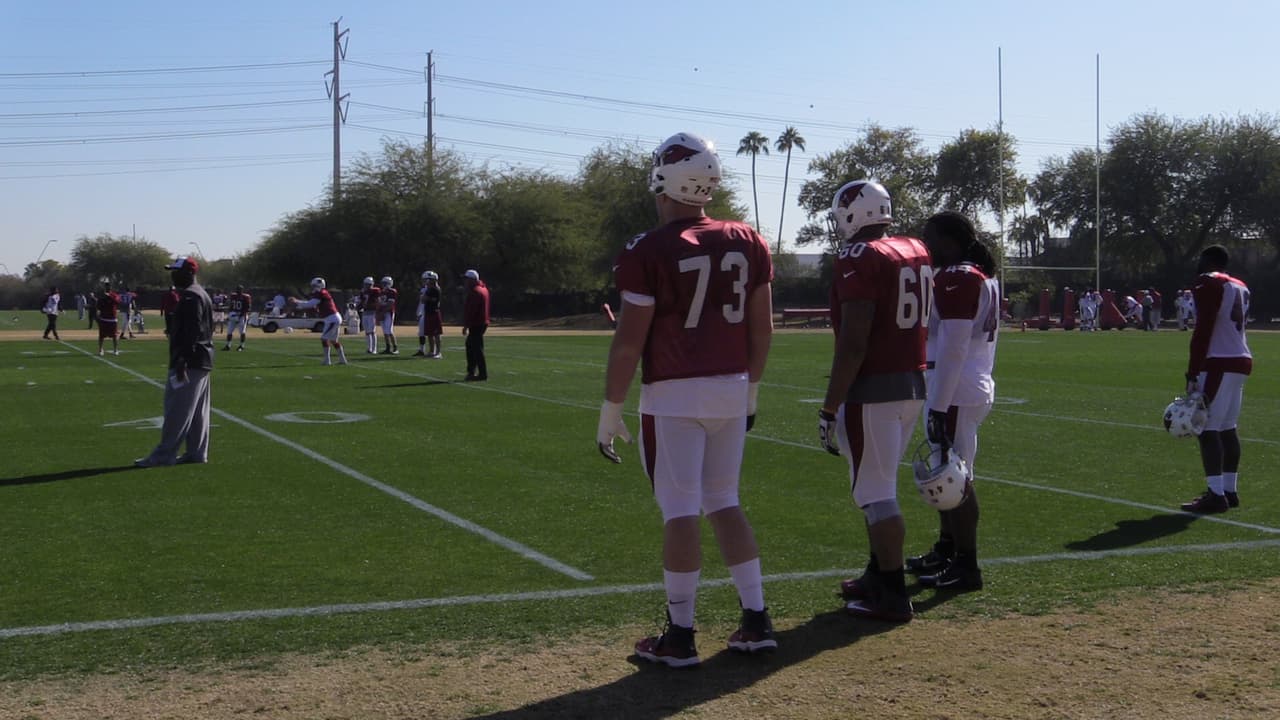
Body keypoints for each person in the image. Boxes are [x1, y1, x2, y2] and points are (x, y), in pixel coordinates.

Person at [597, 131, 776, 667]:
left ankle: (680, 634)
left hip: (674, 392)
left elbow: (630, 339)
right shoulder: (748, 239)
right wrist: (753, 388)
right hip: (732, 385)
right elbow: (761, 326)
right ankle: (757, 617)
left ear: (665, 179)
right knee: (725, 500)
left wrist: (611, 407)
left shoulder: (647, 249)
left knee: (679, 510)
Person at [819, 179, 930, 623]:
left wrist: (830, 406)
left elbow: (854, 341)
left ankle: (891, 592)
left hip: (874, 387)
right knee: (879, 484)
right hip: (912, 383)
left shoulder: (858, 256)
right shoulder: (915, 248)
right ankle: (875, 574)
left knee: (876, 493)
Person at [903, 211, 999, 592]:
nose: (925, 245)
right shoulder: (976, 275)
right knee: (945, 474)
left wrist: (939, 406)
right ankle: (947, 550)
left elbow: (955, 347)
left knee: (955, 479)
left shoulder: (961, 276)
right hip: (960, 384)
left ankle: (967, 564)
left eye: (930, 238)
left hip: (955, 388)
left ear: (949, 241)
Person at [1180, 245, 1252, 514]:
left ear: (1209, 260)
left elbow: (1204, 327)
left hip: (1218, 360)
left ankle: (1215, 494)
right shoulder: (1240, 284)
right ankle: (1229, 490)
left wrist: (1192, 370)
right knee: (1227, 428)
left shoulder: (1209, 282)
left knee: (1207, 428)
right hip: (1240, 358)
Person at [135, 257, 214, 468]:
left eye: (176, 272)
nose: (172, 275)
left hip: (189, 360)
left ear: (189, 273)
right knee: (198, 410)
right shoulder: (200, 294)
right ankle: (196, 452)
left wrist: (182, 359)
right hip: (202, 358)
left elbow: (192, 330)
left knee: (177, 409)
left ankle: (164, 455)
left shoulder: (190, 296)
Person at [291, 277, 348, 366]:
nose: (313, 288)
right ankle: (342, 360)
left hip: (332, 318)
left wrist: (296, 301)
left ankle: (327, 360)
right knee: (333, 340)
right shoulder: (322, 293)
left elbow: (310, 304)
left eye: (314, 286)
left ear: (319, 285)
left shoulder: (321, 293)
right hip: (333, 317)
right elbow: (313, 304)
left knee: (324, 339)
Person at [462, 269, 490, 381]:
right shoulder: (483, 289)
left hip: (476, 323)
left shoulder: (475, 292)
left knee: (476, 348)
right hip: (482, 322)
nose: (465, 282)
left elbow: (471, 311)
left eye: (467, 279)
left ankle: (480, 373)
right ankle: (472, 371)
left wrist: (466, 325)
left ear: (472, 280)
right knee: (472, 346)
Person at [415, 270, 444, 358]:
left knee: (436, 334)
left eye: (428, 280)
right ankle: (432, 351)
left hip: (434, 312)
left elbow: (424, 299)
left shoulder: (435, 289)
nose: (426, 282)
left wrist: (425, 298)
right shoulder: (429, 289)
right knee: (430, 334)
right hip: (428, 312)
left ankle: (438, 352)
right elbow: (423, 300)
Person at [223, 285, 252, 351]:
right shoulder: (233, 296)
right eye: (237, 289)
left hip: (242, 316)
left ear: (242, 290)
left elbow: (247, 308)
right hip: (233, 315)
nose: (238, 291)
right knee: (229, 331)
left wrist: (239, 316)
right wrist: (229, 315)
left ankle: (242, 346)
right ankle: (228, 345)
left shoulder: (246, 297)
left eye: (239, 289)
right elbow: (231, 306)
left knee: (242, 332)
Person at [357, 276, 381, 354]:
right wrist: (357, 306)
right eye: (366, 284)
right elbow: (361, 302)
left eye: (368, 284)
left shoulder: (375, 291)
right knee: (367, 331)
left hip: (372, 312)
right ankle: (369, 348)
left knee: (372, 331)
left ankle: (374, 349)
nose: (366, 286)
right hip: (365, 312)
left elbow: (377, 300)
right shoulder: (363, 292)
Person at [96, 283, 121, 356]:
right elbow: (98, 306)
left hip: (112, 319)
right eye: (106, 287)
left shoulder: (115, 295)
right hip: (104, 318)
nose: (107, 288)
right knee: (101, 336)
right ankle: (101, 350)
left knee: (114, 335)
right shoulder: (102, 296)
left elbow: (117, 302)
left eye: (109, 287)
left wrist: (109, 296)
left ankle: (115, 350)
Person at [377, 276, 399, 355]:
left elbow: (390, 304)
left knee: (389, 331)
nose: (384, 285)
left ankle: (395, 348)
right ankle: (388, 348)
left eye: (385, 283)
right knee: (385, 331)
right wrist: (378, 313)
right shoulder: (381, 292)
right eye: (383, 283)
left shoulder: (392, 291)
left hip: (389, 312)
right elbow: (379, 304)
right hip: (382, 312)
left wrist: (382, 312)